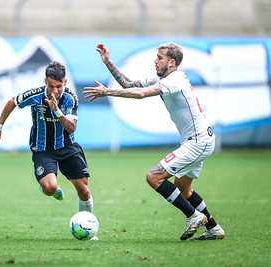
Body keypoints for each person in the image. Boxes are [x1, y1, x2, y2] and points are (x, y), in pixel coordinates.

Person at [83, 43, 225, 241]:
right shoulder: (163, 78)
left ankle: (193, 216)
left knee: (154, 177)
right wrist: (109, 63)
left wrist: (107, 92)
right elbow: (130, 85)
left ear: (172, 62)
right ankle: (214, 228)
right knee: (184, 188)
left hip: (198, 142)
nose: (155, 60)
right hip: (197, 140)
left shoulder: (175, 79)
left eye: (160, 57)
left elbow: (141, 94)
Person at [0, 61, 94, 215]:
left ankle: (87, 226)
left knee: (84, 191)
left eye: (59, 86)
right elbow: (13, 101)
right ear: (45, 81)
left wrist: (57, 111)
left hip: (67, 146)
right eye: (51, 86)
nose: (55, 90)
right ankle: (48, 185)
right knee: (50, 188)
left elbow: (72, 127)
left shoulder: (70, 98)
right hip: (42, 149)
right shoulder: (36, 95)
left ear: (65, 82)